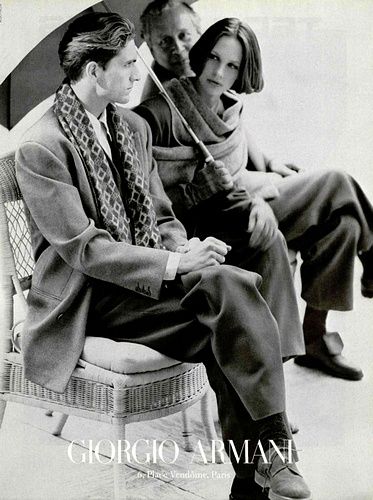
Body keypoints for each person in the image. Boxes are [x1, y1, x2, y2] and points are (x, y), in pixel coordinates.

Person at [15, 12, 311, 500]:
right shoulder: (42, 149)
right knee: (227, 311)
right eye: (129, 63)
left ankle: (260, 470)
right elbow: (85, 250)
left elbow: (163, 217)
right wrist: (175, 265)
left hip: (144, 284)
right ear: (94, 70)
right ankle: (269, 461)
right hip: (87, 300)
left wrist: (182, 247)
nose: (139, 73)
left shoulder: (131, 127)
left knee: (229, 290)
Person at [135, 17, 373, 383]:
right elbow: (154, 194)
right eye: (214, 58)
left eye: (232, 65)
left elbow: (241, 153)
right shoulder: (166, 106)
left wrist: (271, 168)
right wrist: (211, 188)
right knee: (337, 181)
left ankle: (315, 339)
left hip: (248, 204)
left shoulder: (229, 105)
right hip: (218, 224)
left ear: (242, 71)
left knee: (345, 225)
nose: (218, 72)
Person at [139, 0, 202, 100]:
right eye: (165, 41)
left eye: (183, 35)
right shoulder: (157, 105)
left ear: (199, 32)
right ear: (151, 49)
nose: (178, 49)